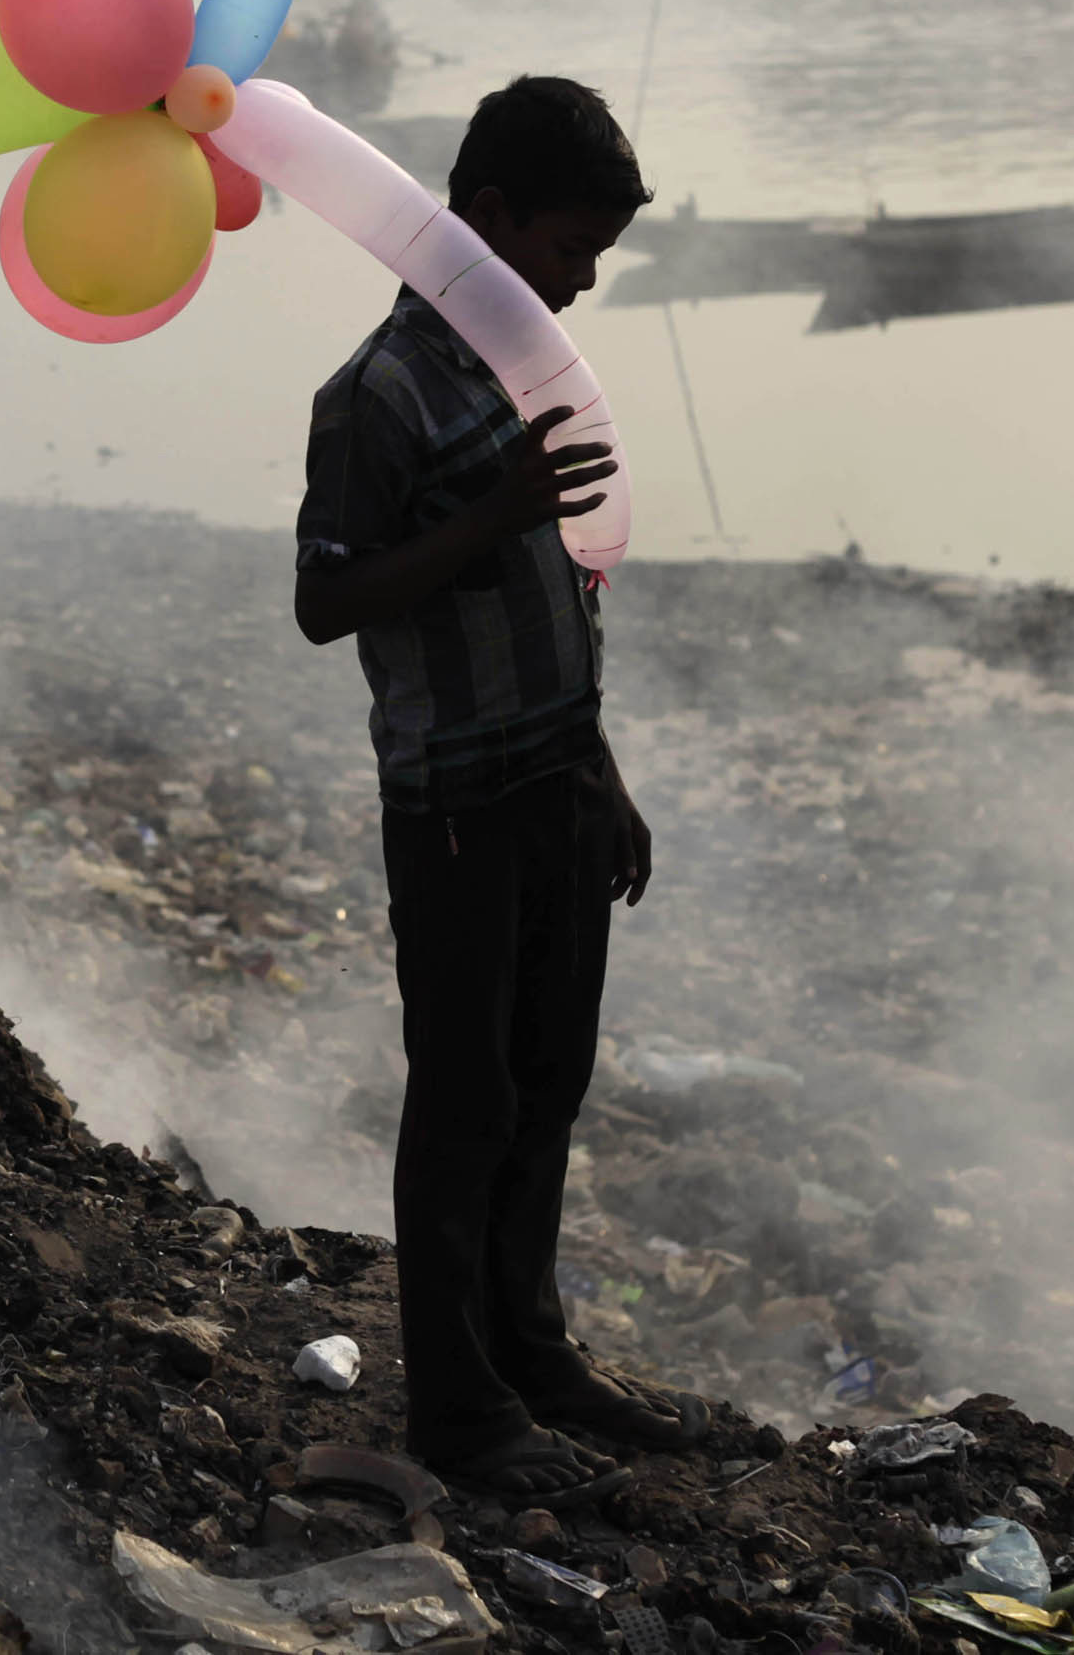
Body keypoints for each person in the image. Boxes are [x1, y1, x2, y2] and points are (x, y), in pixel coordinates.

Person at [291, 75, 705, 1505]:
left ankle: (533, 1354)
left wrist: (604, 772)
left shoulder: (522, 372)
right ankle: (460, 1409)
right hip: (456, 806)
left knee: (548, 1082)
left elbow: (562, 589)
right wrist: (494, 510)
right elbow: (324, 600)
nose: (583, 281)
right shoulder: (377, 393)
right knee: (463, 1098)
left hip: (554, 786)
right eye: (569, 247)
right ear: (484, 218)